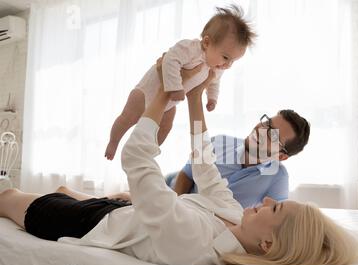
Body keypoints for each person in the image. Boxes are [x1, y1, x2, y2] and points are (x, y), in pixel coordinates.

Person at [0, 61, 358, 265]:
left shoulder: (194, 238)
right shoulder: (235, 217)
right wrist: (193, 96)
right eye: (265, 123)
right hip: (121, 211)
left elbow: (136, 158)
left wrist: (161, 95)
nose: (264, 202)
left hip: (90, 223)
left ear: (268, 244)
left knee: (9, 196)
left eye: (275, 207)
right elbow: (203, 166)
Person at [104, 4, 257, 160]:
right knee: (127, 119)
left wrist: (212, 99)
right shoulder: (191, 48)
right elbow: (169, 60)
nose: (227, 65)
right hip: (146, 93)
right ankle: (113, 142)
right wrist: (175, 87)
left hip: (169, 104)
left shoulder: (216, 67)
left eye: (233, 61)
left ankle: (149, 153)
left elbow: (214, 83)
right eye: (226, 57)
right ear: (206, 43)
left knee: (165, 127)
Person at [171, 110, 310, 208]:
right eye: (267, 123)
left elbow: (274, 224)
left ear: (280, 156)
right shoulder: (219, 142)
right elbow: (186, 175)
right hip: (174, 199)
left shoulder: (277, 178)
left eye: (273, 136)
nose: (261, 130)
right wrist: (175, 208)